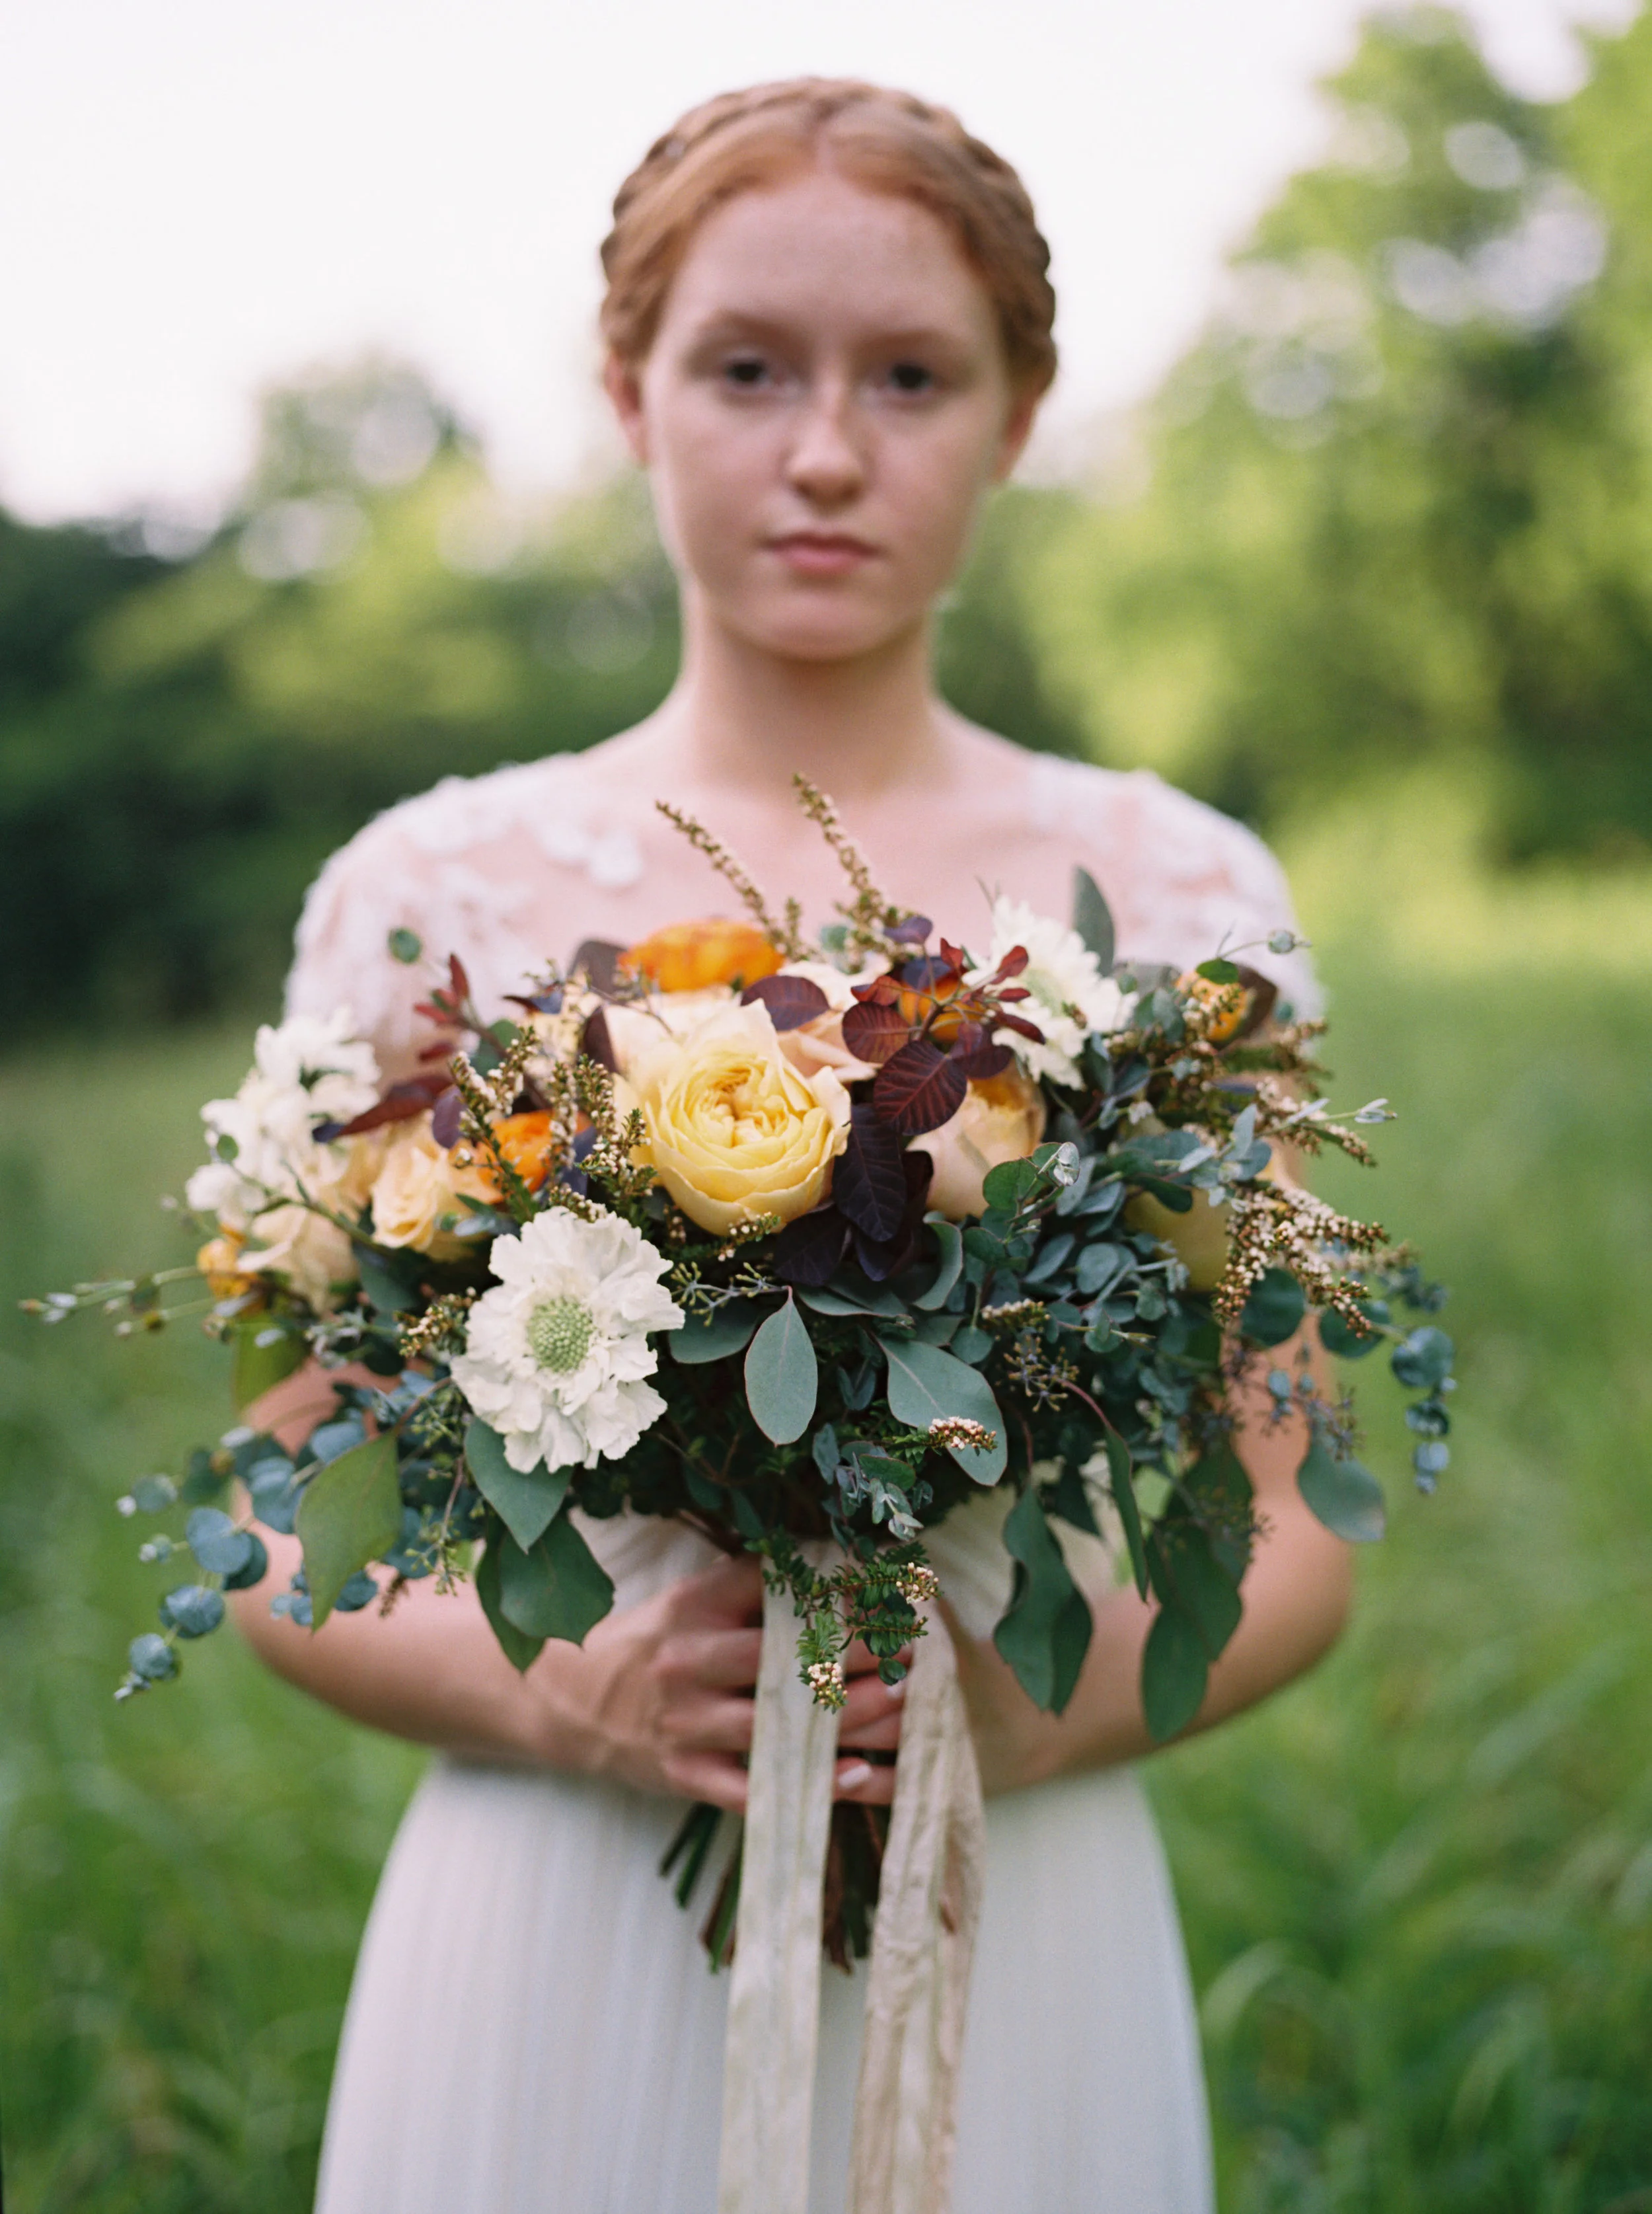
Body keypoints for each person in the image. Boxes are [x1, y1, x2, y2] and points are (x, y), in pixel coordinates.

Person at [232, 78, 1352, 2213]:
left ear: (1017, 414)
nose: (826, 448)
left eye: (910, 376)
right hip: (557, 1899)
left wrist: (1045, 1714)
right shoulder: (430, 890)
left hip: (1007, 1876)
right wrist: (569, 1693)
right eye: (746, 366)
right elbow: (272, 1518)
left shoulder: (1178, 898)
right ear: (629, 394)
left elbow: (1290, 1510)